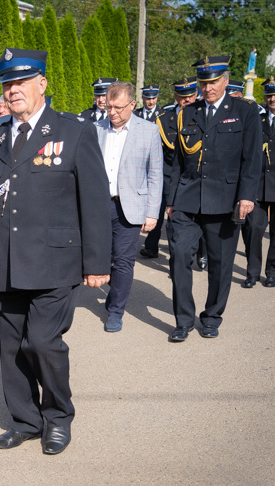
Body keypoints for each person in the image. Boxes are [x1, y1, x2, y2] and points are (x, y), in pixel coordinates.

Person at [0, 48, 111, 455]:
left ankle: (58, 418)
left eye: (21, 81)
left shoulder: (74, 132)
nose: (13, 89)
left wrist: (96, 262)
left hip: (55, 262)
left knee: (42, 342)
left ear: (42, 84)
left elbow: (93, 201)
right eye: (8, 83)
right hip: (3, 264)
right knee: (10, 348)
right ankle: (25, 420)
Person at [166, 56, 261, 342]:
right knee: (180, 254)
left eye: (213, 82)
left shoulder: (245, 111)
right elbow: (177, 162)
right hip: (187, 199)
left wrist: (246, 196)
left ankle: (211, 316)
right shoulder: (187, 112)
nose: (207, 88)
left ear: (225, 80)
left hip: (225, 200)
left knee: (220, 263)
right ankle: (183, 320)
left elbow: (252, 158)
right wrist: (170, 201)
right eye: (203, 83)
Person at [94, 81, 163, 332]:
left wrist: (152, 213)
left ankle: (115, 311)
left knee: (123, 261)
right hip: (100, 207)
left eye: (119, 108)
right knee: (104, 258)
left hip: (131, 207)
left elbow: (155, 174)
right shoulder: (96, 129)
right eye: (109, 107)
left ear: (132, 104)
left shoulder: (149, 131)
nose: (112, 112)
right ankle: (114, 295)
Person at [241, 76, 275, 288]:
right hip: (258, 186)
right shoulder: (257, 121)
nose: (272, 99)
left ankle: (273, 272)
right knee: (253, 229)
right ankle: (252, 272)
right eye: (269, 95)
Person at [141, 77, 198, 259]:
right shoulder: (164, 120)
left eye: (190, 96)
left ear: (196, 94)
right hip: (167, 175)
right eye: (182, 96)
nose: (186, 100)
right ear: (175, 96)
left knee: (191, 218)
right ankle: (152, 247)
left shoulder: (204, 117)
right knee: (158, 214)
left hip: (193, 176)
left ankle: (198, 253)